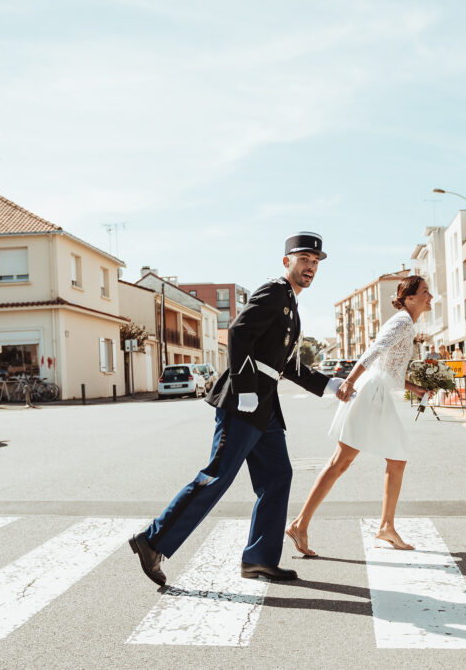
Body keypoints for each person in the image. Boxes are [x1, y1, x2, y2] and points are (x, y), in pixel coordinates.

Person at [129, 232, 346, 586]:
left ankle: (259, 559)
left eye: (315, 262)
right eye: (304, 259)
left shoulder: (290, 303)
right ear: (286, 261)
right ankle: (153, 540)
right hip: (245, 402)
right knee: (218, 475)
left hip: (266, 406)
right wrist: (245, 390)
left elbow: (285, 363)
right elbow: (239, 332)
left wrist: (326, 385)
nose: (310, 267)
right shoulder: (275, 291)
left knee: (278, 476)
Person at [285, 275, 433, 556]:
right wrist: (349, 382)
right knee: (340, 462)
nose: (431, 296)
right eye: (425, 292)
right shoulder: (402, 321)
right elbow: (373, 352)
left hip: (377, 393)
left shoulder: (407, 323)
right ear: (410, 298)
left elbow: (390, 372)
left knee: (395, 457)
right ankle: (300, 524)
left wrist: (417, 388)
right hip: (369, 395)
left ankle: (386, 527)